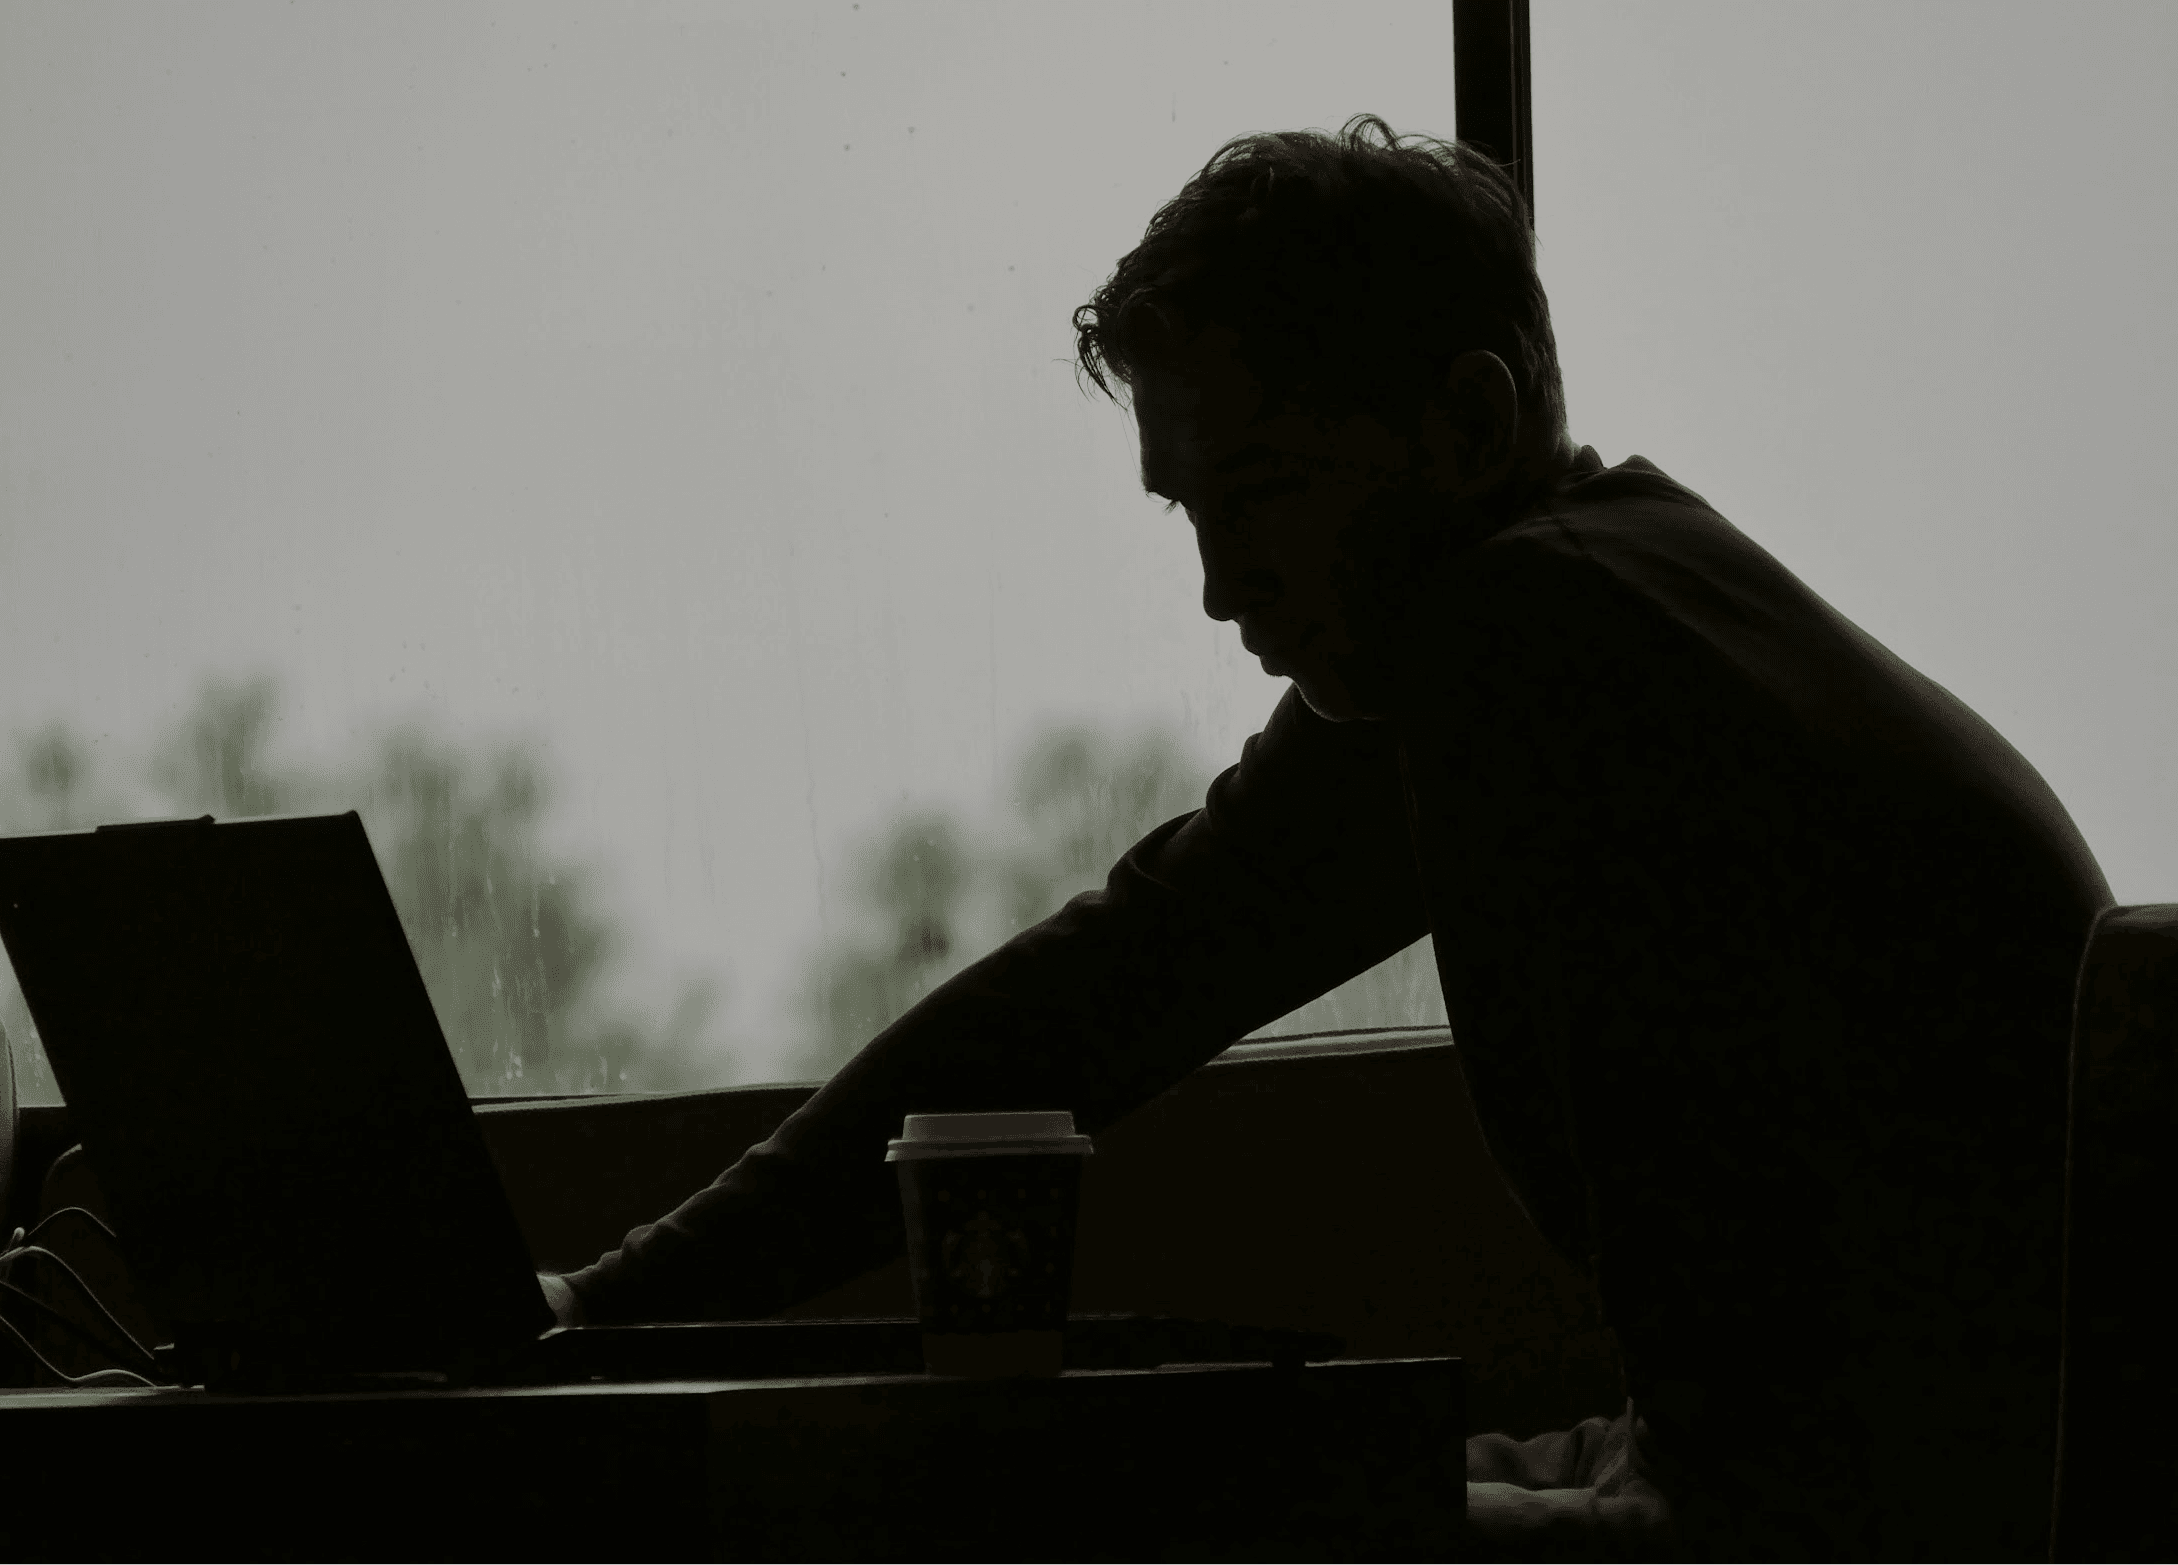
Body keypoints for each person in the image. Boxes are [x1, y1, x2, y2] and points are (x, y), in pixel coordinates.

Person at [541, 116, 2108, 1563]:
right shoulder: (1601, 598)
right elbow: (1110, 983)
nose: (1223, 588)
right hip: (1933, 1472)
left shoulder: (1529, 641)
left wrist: (598, 1310)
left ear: (1470, 425)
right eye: (1190, 513)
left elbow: (1111, 991)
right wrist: (603, 1307)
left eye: (1265, 490)